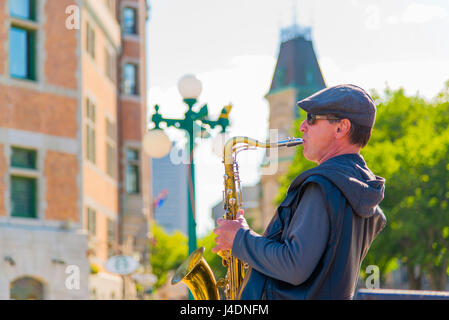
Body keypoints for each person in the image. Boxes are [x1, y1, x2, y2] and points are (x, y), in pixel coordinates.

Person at [212, 84, 386, 300]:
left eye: (312, 118)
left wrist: (239, 239)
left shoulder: (323, 185)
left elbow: (293, 266)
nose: (303, 126)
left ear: (341, 128)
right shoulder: (358, 189)